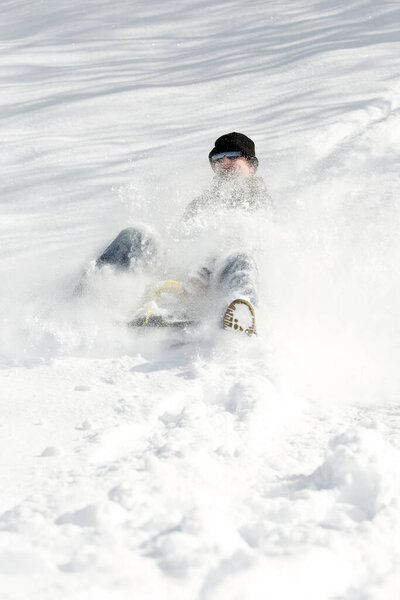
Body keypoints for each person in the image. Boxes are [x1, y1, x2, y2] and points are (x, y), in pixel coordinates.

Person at [90, 132, 272, 335]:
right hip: (182, 283)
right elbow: (180, 240)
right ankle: (89, 302)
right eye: (218, 159)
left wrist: (201, 274)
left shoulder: (258, 202)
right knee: (137, 235)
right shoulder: (201, 204)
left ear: (251, 164)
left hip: (217, 286)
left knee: (240, 257)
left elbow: (238, 243)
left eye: (232, 155)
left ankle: (239, 315)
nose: (224, 161)